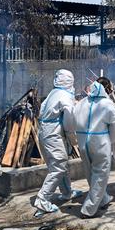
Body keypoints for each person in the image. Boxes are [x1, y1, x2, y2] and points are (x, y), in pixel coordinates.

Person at [64, 81, 115, 218]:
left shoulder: (81, 103)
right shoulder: (107, 104)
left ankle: (104, 198)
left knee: (90, 174)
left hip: (83, 145)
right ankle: (88, 210)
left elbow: (72, 121)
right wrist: (111, 141)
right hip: (100, 144)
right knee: (100, 177)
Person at [33, 69, 83, 218]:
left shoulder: (53, 93)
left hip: (45, 131)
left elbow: (42, 111)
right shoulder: (65, 96)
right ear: (70, 82)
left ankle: (67, 192)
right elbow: (69, 121)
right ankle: (42, 199)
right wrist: (72, 138)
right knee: (58, 165)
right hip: (53, 133)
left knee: (61, 164)